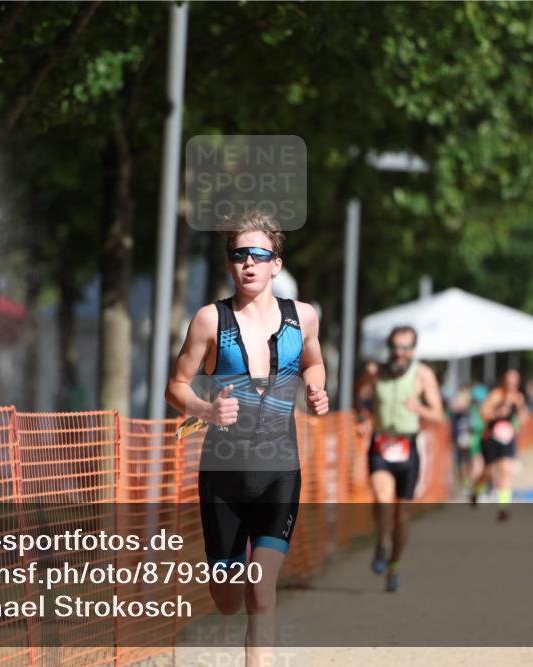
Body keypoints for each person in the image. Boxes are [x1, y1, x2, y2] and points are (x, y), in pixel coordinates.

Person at [165, 212, 328, 662]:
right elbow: (175, 386)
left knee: (262, 588)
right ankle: (225, 574)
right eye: (239, 256)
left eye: (259, 255)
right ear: (228, 264)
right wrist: (205, 409)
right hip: (223, 477)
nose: (249, 264)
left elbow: (313, 361)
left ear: (276, 263)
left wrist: (316, 388)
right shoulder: (208, 321)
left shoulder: (304, 318)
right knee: (229, 599)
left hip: (280, 470)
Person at [358, 325, 444, 592]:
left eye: (406, 347)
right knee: (382, 500)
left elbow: (439, 415)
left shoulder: (423, 375)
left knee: (402, 516)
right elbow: (360, 394)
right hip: (381, 444)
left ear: (413, 350)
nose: (400, 353)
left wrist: (418, 407)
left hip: (408, 448)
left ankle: (394, 564)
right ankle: (382, 544)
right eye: (396, 347)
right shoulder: (375, 371)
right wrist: (362, 416)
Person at [471, 369, 528, 522]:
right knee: (489, 472)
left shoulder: (518, 397)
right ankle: (475, 490)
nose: (511, 385)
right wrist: (497, 413)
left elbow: (523, 416)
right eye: (509, 382)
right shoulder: (496, 395)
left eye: (514, 382)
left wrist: (521, 419)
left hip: (507, 438)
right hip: (491, 438)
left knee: (506, 470)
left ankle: (503, 508)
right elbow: (483, 412)